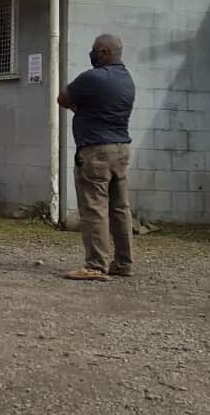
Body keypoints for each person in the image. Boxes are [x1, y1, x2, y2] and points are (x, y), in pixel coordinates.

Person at [58, 33, 136, 281]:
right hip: (121, 149)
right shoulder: (127, 79)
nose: (91, 54)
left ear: (104, 52)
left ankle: (95, 265)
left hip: (95, 151)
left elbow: (62, 98)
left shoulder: (93, 78)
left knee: (94, 208)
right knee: (120, 209)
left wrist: (78, 108)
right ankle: (123, 263)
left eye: (94, 50)